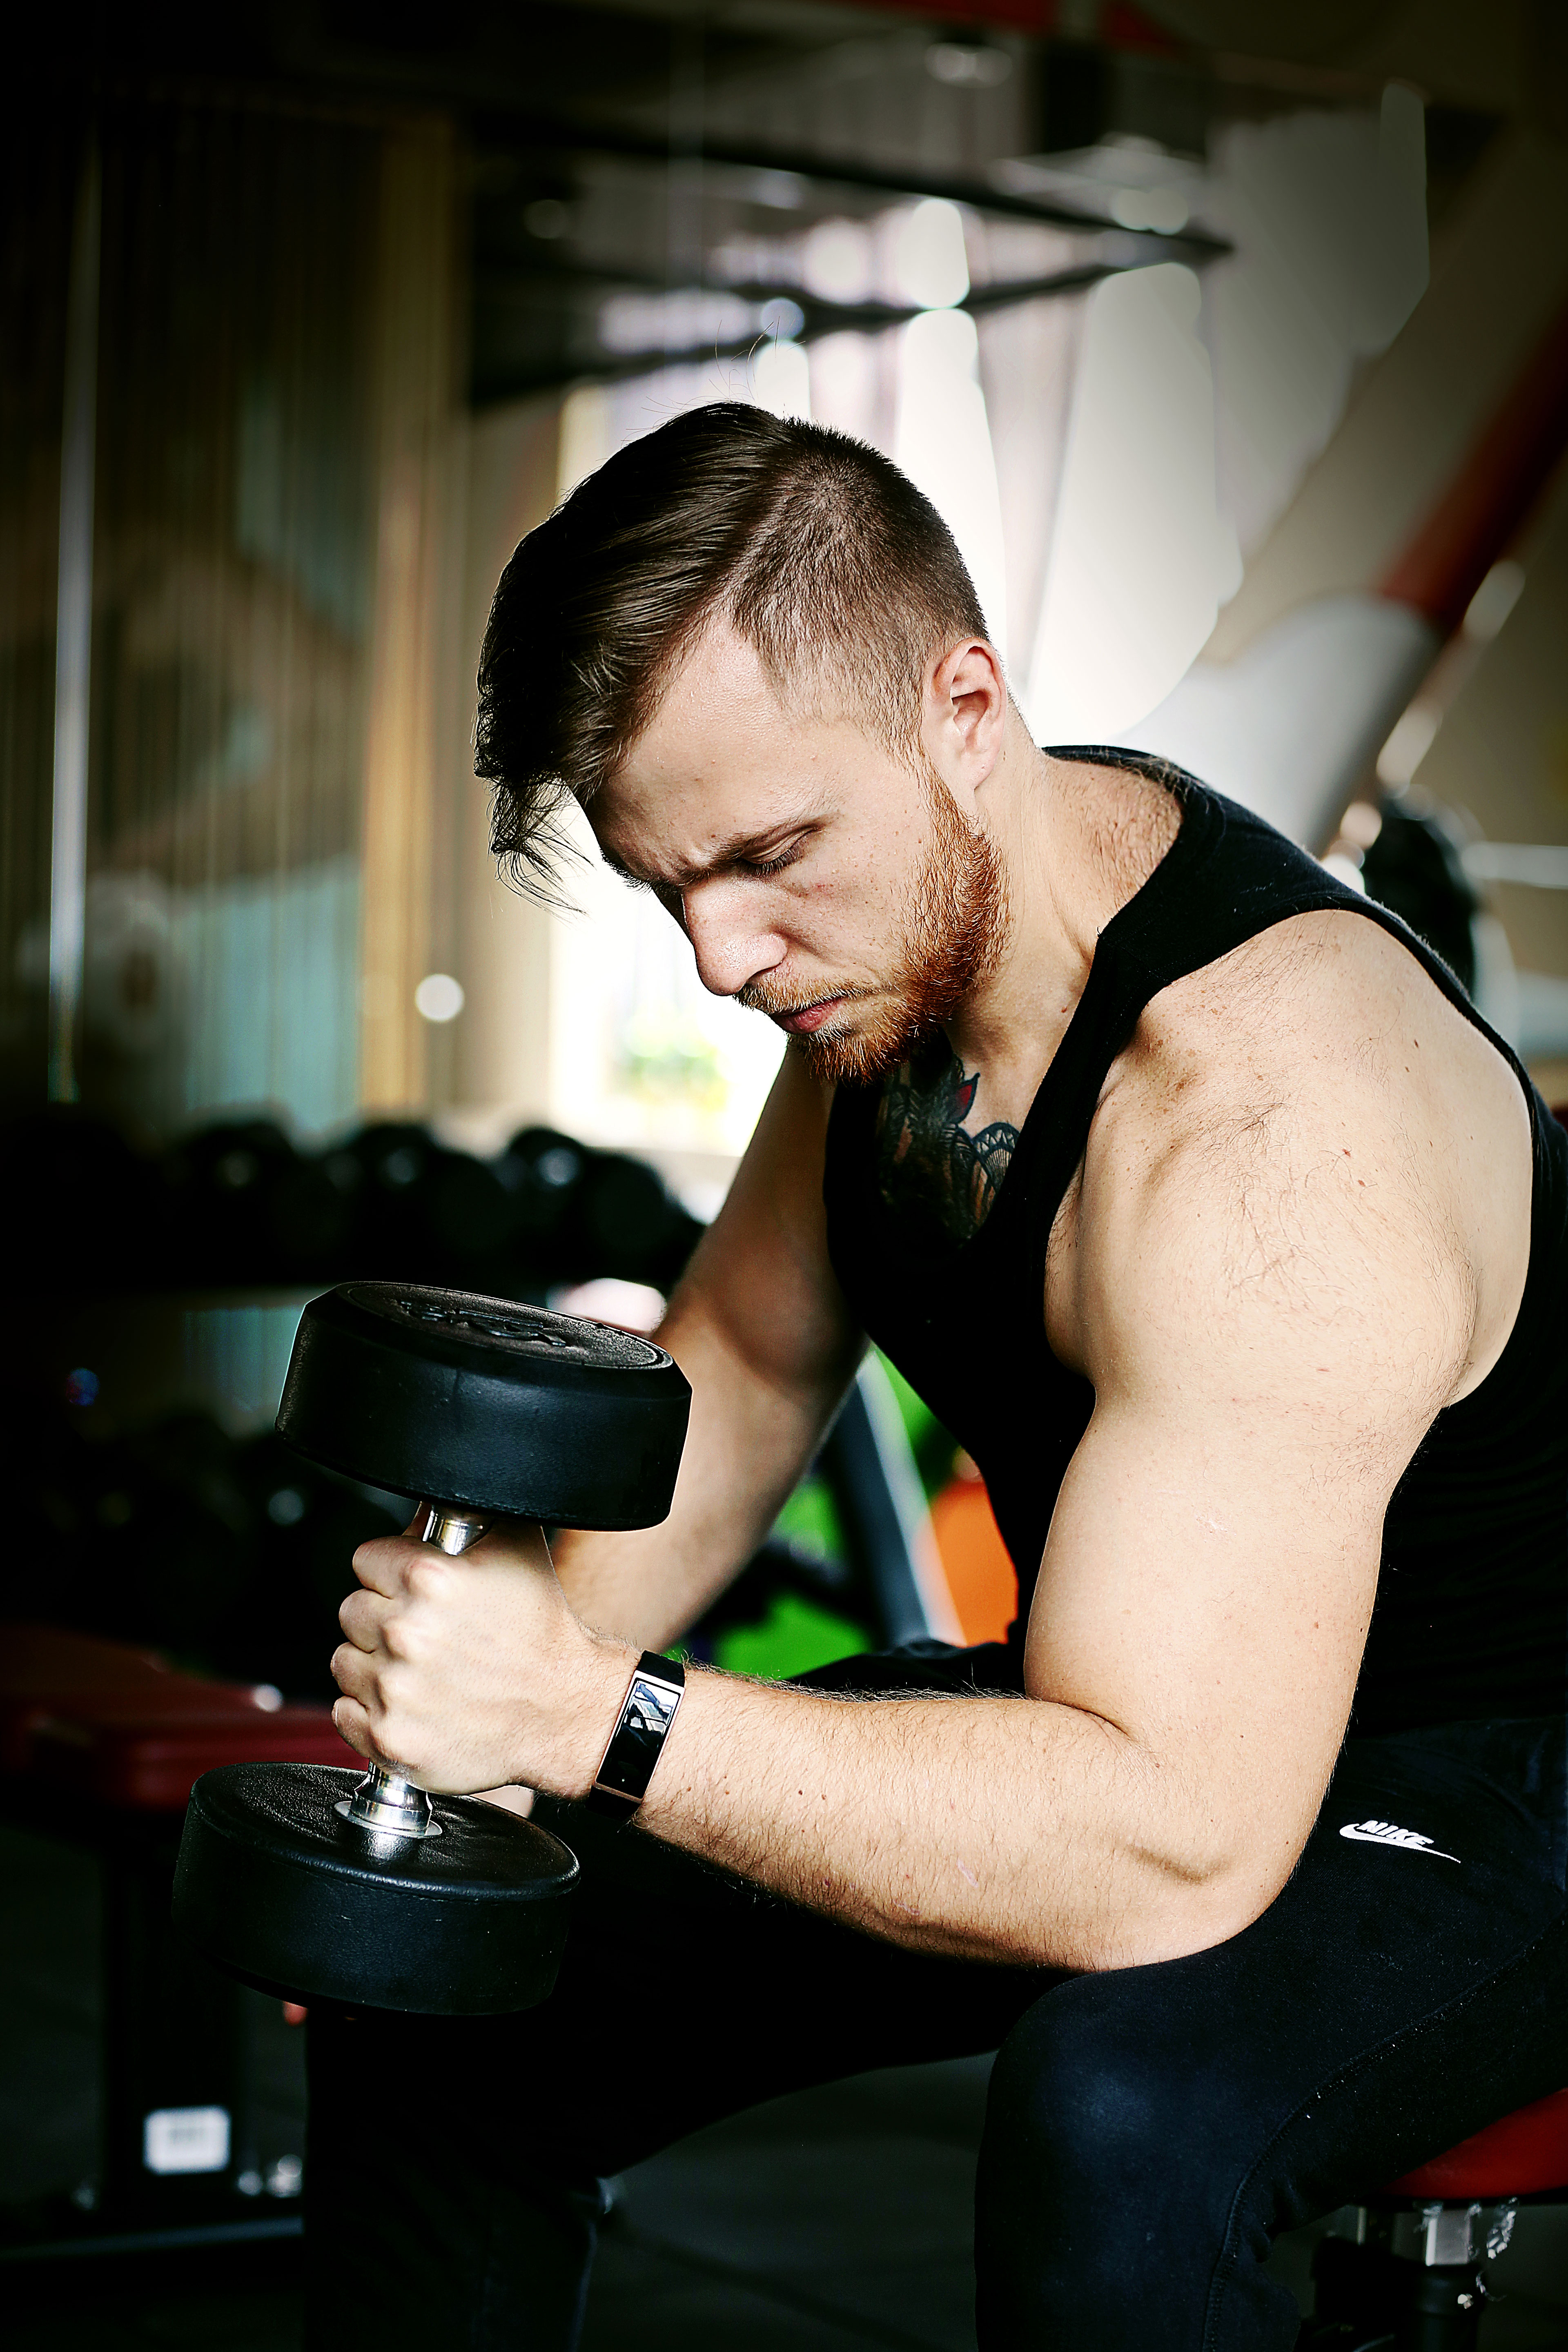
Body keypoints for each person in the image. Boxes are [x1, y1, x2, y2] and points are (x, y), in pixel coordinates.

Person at [307, 405, 1566, 2350]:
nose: (724, 960)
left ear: (963, 706)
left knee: (1123, 2114)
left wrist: (596, 1718)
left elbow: (1170, 1844)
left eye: (768, 860)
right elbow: (731, 1370)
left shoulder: (1268, 1126)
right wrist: (467, 1745)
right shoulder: (907, 952)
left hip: (1487, 1777)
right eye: (669, 888)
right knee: (473, 1978)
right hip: (1148, 1698)